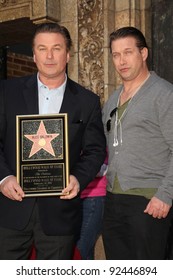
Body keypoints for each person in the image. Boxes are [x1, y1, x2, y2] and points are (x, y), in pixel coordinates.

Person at [0, 22, 106, 260]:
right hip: (10, 213)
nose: (49, 56)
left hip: (60, 215)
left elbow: (95, 151)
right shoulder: (7, 92)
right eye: (42, 48)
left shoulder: (87, 101)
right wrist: (4, 178)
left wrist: (78, 179)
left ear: (68, 54)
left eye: (56, 48)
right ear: (34, 55)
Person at [102, 26, 173, 260]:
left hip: (149, 201)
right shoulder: (112, 99)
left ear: (143, 54)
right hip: (113, 200)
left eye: (128, 52)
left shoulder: (164, 94)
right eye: (116, 54)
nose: (121, 60)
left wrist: (165, 194)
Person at [74, 158, 108, 260]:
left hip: (94, 196)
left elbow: (104, 168)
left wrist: (72, 167)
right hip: (73, 198)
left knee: (81, 249)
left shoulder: (99, 143)